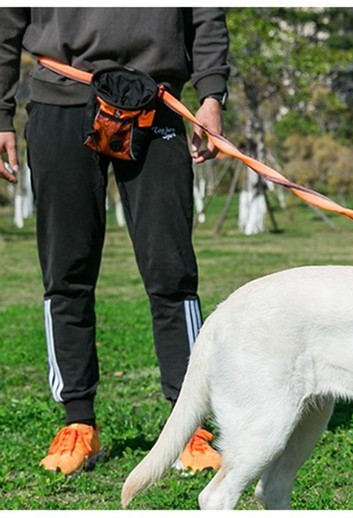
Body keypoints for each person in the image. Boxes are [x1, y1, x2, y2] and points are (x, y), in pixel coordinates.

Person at [0, 8, 229, 475]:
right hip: (62, 99)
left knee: (172, 272)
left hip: (155, 102)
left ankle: (188, 425)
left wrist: (212, 95)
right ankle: (78, 422)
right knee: (66, 273)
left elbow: (207, 16)